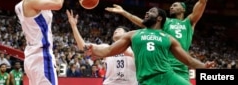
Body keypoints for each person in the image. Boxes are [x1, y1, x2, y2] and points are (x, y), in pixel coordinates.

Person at [104, 0, 207, 81]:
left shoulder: (189, 22)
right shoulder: (165, 22)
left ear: (183, 9)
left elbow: (203, 1)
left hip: (182, 68)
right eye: (171, 6)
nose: (172, 7)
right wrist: (124, 12)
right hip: (164, 66)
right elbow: (143, 23)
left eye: (175, 5)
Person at [85, 7, 214, 85]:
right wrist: (93, 49)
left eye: (151, 12)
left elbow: (188, 60)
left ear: (159, 18)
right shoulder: (133, 34)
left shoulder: (169, 38)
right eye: (147, 12)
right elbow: (108, 50)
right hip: (146, 81)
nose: (147, 13)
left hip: (167, 77)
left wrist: (203, 66)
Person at [10, 0, 72, 85]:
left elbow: (42, 15)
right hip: (41, 57)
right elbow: (57, 4)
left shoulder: (19, 6)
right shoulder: (30, 1)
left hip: (32, 59)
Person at [66, 10, 138, 85]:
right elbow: (82, 46)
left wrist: (123, 48)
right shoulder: (107, 47)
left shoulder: (134, 48)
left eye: (119, 30)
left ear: (127, 34)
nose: (116, 31)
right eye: (115, 31)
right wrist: (73, 26)